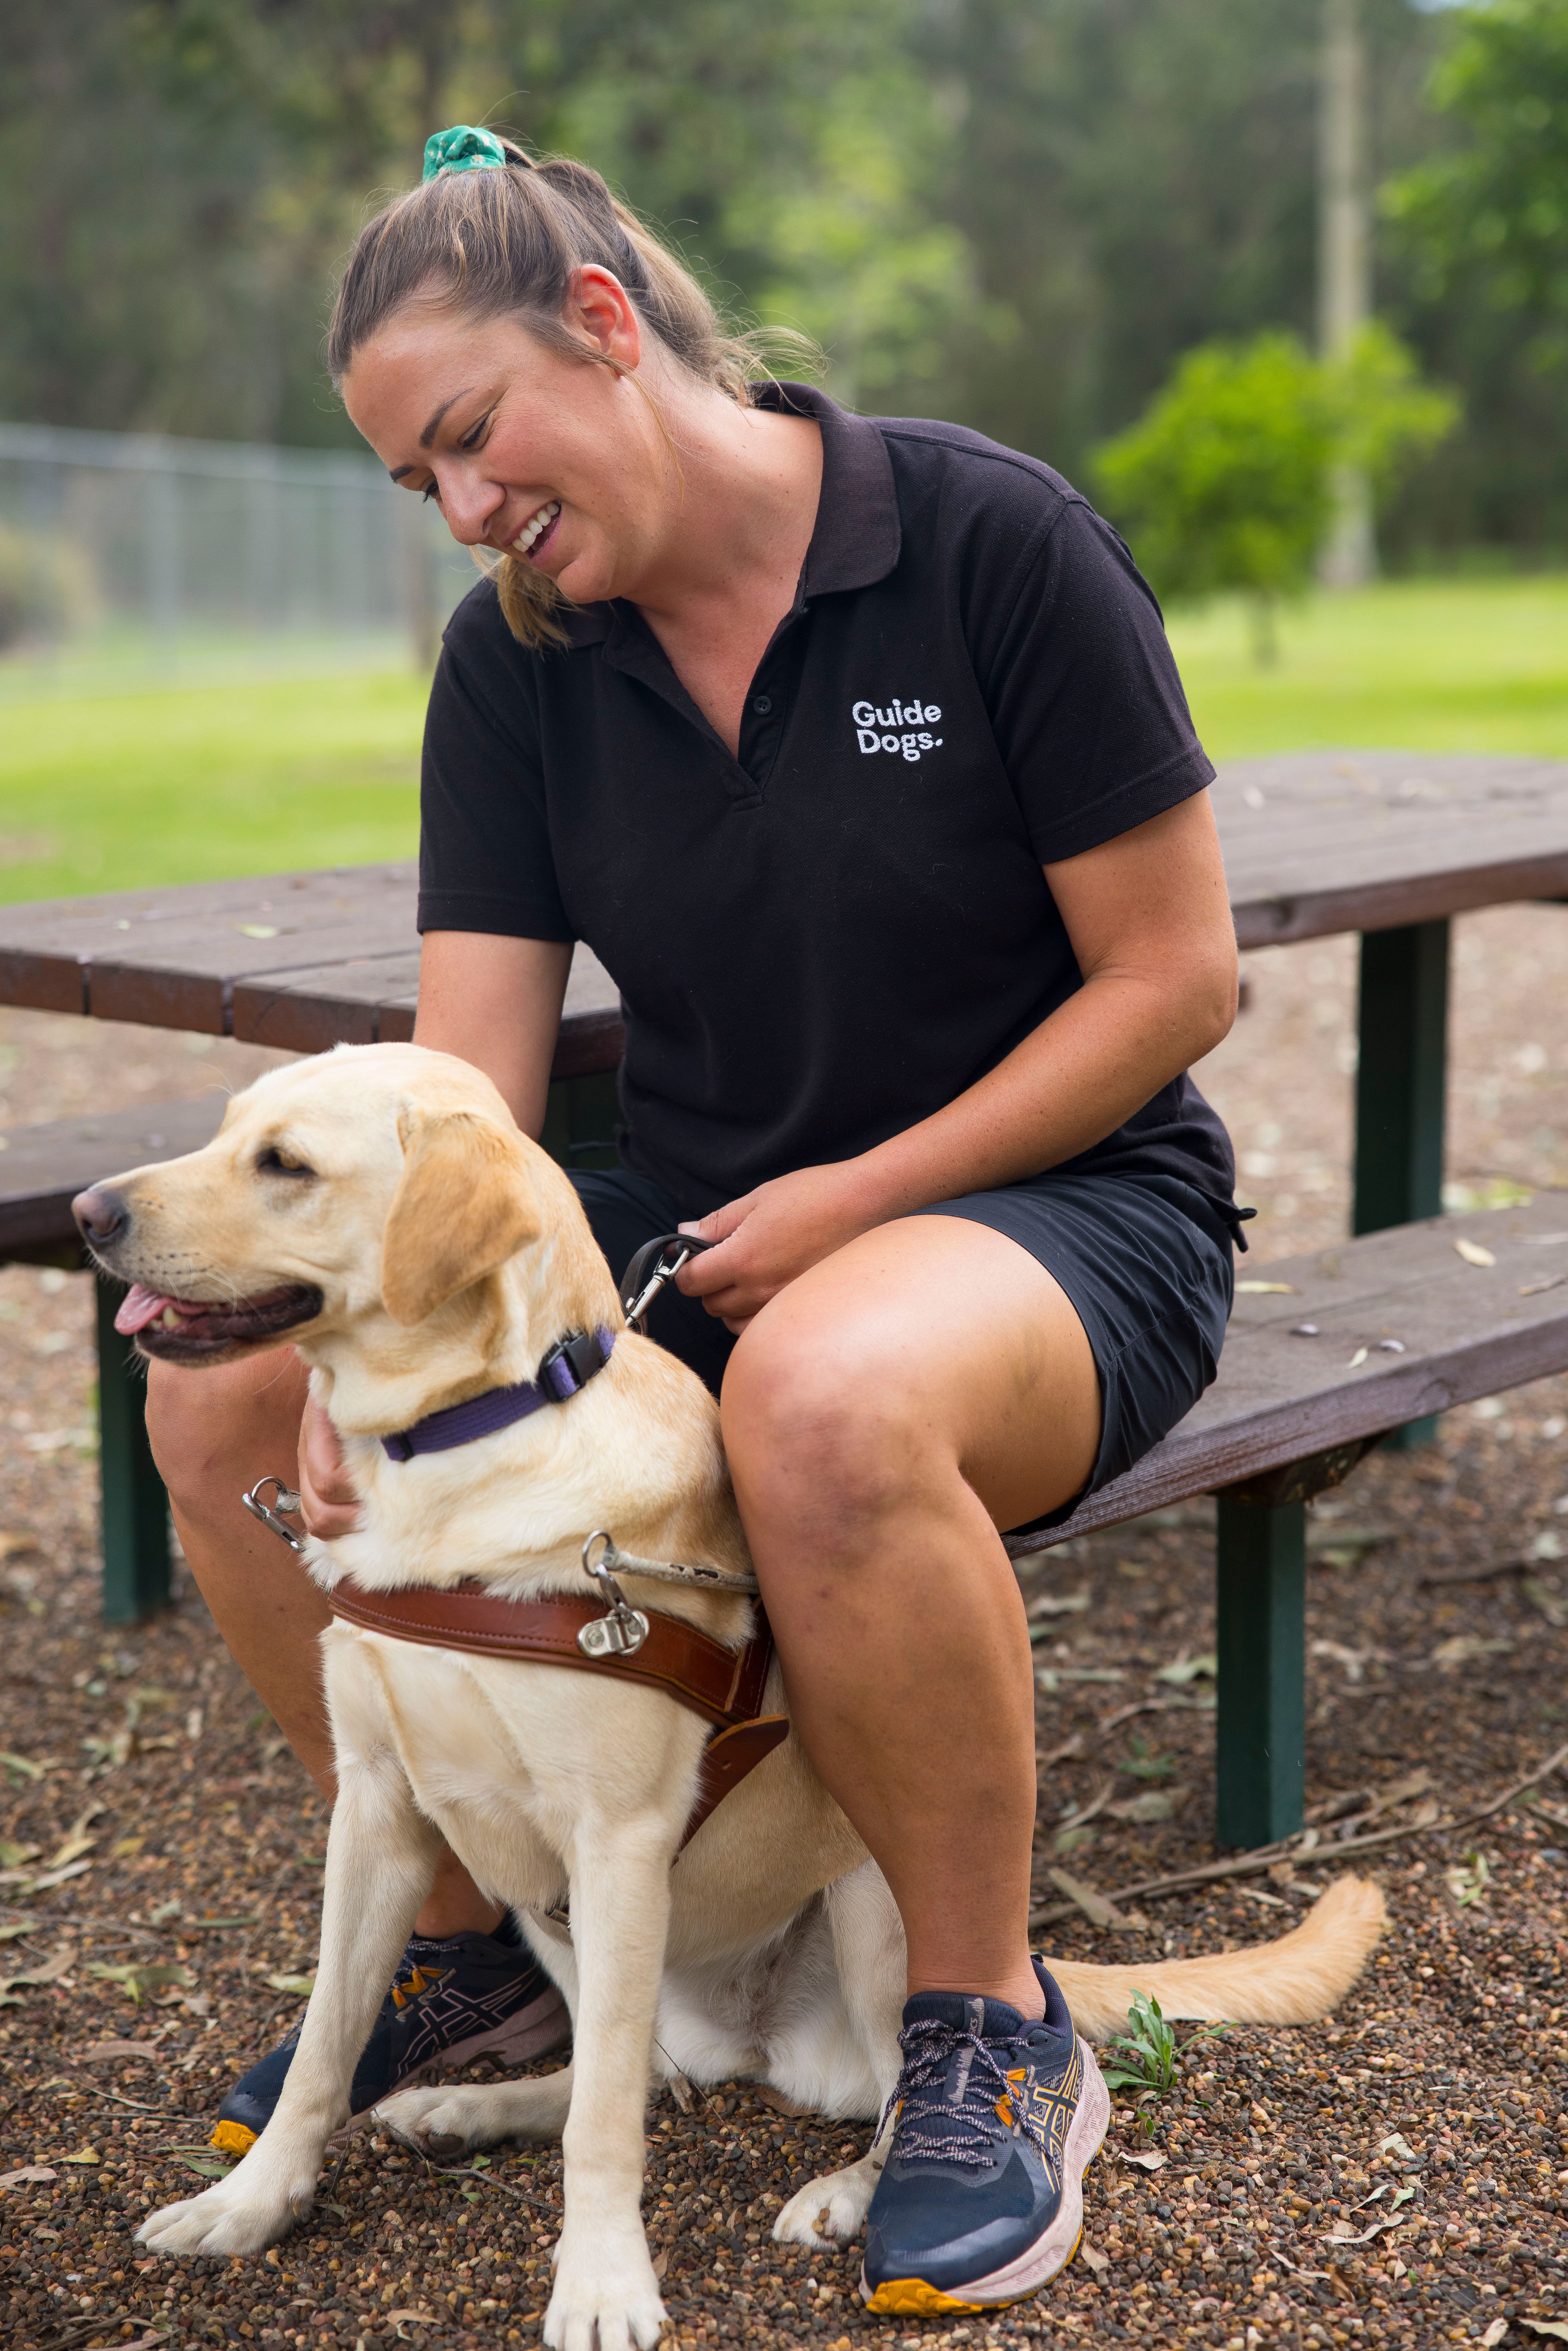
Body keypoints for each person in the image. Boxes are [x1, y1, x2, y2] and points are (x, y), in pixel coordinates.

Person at [145, 124, 1243, 2314]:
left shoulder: (989, 545)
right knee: (226, 1403)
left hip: (1059, 1210)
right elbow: (457, 1095)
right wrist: (356, 1345)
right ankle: (476, 1954)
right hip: (701, 1221)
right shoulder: (516, 661)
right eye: (418, 481)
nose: (466, 509)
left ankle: (987, 2027)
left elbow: (1172, 980)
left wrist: (858, 1196)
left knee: (819, 1399)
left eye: (475, 437)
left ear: (605, 326)